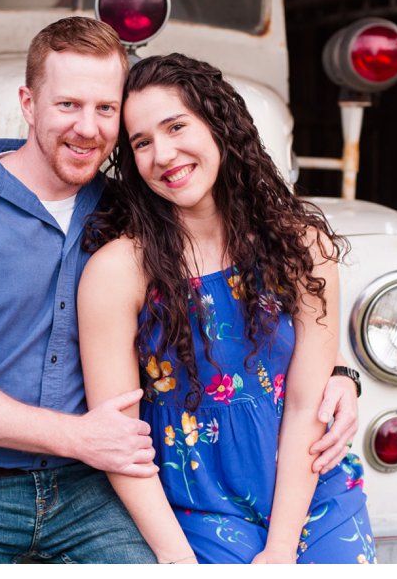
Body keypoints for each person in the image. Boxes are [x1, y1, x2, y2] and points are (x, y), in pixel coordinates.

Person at [0, 17, 360, 563]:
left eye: (105, 109)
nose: (88, 128)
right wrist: (77, 438)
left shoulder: (136, 208)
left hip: (91, 490)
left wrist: (339, 371)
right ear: (28, 102)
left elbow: (245, 293)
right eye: (68, 105)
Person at [78, 52, 376, 564]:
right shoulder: (118, 270)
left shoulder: (304, 246)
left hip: (310, 490)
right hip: (194, 507)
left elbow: (307, 403)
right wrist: (179, 562)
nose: (164, 154)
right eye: (142, 142)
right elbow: (119, 441)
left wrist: (281, 549)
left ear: (218, 125)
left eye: (176, 126)